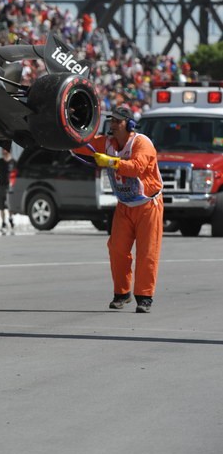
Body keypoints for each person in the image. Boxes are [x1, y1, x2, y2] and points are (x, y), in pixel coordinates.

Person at [81, 103, 163, 313]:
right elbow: (79, 144)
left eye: (119, 121)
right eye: (113, 120)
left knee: (147, 252)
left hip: (148, 205)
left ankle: (145, 297)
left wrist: (111, 162)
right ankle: (122, 293)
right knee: (117, 248)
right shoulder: (107, 142)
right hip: (125, 205)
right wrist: (71, 125)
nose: (114, 124)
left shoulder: (142, 143)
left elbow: (137, 167)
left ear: (130, 124)